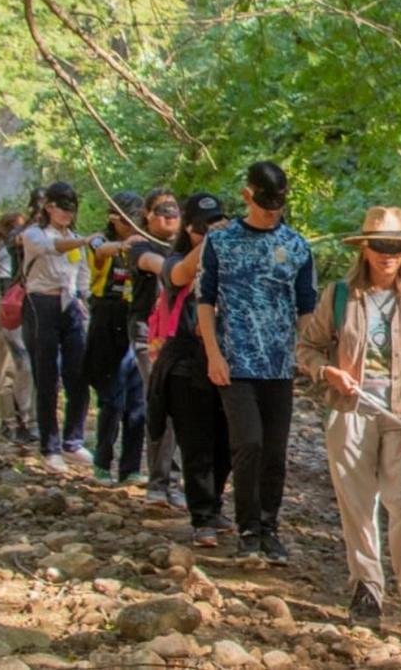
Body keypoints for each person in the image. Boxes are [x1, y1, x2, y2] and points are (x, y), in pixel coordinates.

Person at [297, 206, 401, 628]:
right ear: (364, 248)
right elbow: (307, 348)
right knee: (358, 505)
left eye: (396, 248)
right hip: (350, 412)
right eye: (381, 247)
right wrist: (327, 372)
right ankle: (366, 590)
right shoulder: (339, 294)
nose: (388, 255)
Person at [198, 161, 318, 564]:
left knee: (274, 452)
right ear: (248, 195)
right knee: (247, 443)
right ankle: (247, 527)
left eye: (278, 204)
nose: (272, 211)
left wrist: (312, 353)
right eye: (265, 203)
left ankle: (269, 527)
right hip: (236, 363)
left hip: (280, 365)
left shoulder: (298, 246)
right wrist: (214, 354)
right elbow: (205, 301)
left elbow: (306, 308)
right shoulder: (221, 242)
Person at [145, 192, 234, 547]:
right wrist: (213, 241)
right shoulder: (178, 259)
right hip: (184, 364)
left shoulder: (232, 261)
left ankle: (213, 505)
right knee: (196, 443)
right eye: (201, 228)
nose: (208, 233)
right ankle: (202, 517)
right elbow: (180, 276)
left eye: (214, 226)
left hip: (226, 361)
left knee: (227, 443)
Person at [20, 181, 102, 472]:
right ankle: (50, 446)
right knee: (47, 377)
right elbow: (53, 249)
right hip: (41, 304)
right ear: (48, 207)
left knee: (78, 375)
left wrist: (84, 299)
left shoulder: (75, 238)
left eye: (72, 208)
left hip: (71, 307)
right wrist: (83, 242)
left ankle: (73, 441)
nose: (67, 214)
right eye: (62, 207)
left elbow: (82, 272)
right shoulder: (33, 235)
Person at [127, 188, 185, 508]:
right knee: (162, 402)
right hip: (148, 334)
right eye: (161, 209)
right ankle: (160, 482)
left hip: (181, 336)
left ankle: (170, 480)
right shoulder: (140, 246)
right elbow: (154, 264)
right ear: (148, 214)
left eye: (174, 209)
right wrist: (182, 266)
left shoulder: (186, 247)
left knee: (180, 408)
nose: (169, 214)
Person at [84, 191, 147, 485]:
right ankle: (102, 461)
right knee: (112, 396)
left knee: (138, 399)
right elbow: (99, 251)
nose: (134, 224)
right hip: (106, 317)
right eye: (128, 218)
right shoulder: (100, 239)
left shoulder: (147, 242)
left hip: (135, 317)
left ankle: (131, 467)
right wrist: (123, 245)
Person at [0, 211, 36, 443]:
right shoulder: (5, 250)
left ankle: (21, 420)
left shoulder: (12, 249)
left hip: (13, 310)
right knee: (9, 368)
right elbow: (5, 284)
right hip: (7, 312)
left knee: (21, 368)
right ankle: (10, 422)